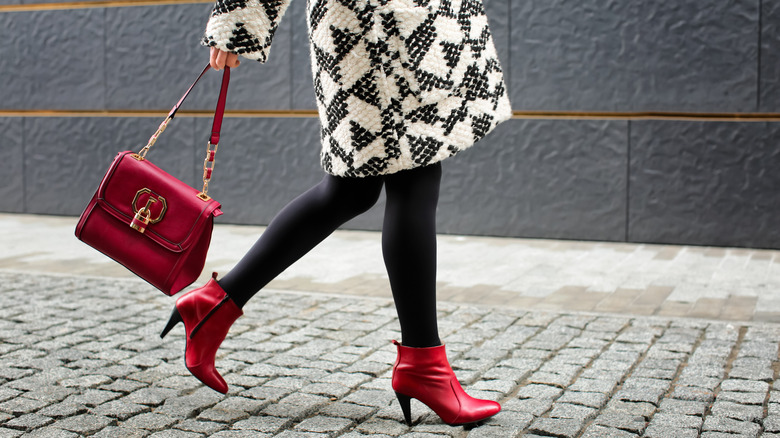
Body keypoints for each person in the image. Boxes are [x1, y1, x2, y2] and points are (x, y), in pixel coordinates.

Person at [160, 0, 513, 427]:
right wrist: (235, 24)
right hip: (382, 23)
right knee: (413, 173)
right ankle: (424, 365)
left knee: (353, 189)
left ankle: (213, 305)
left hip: (398, 21)